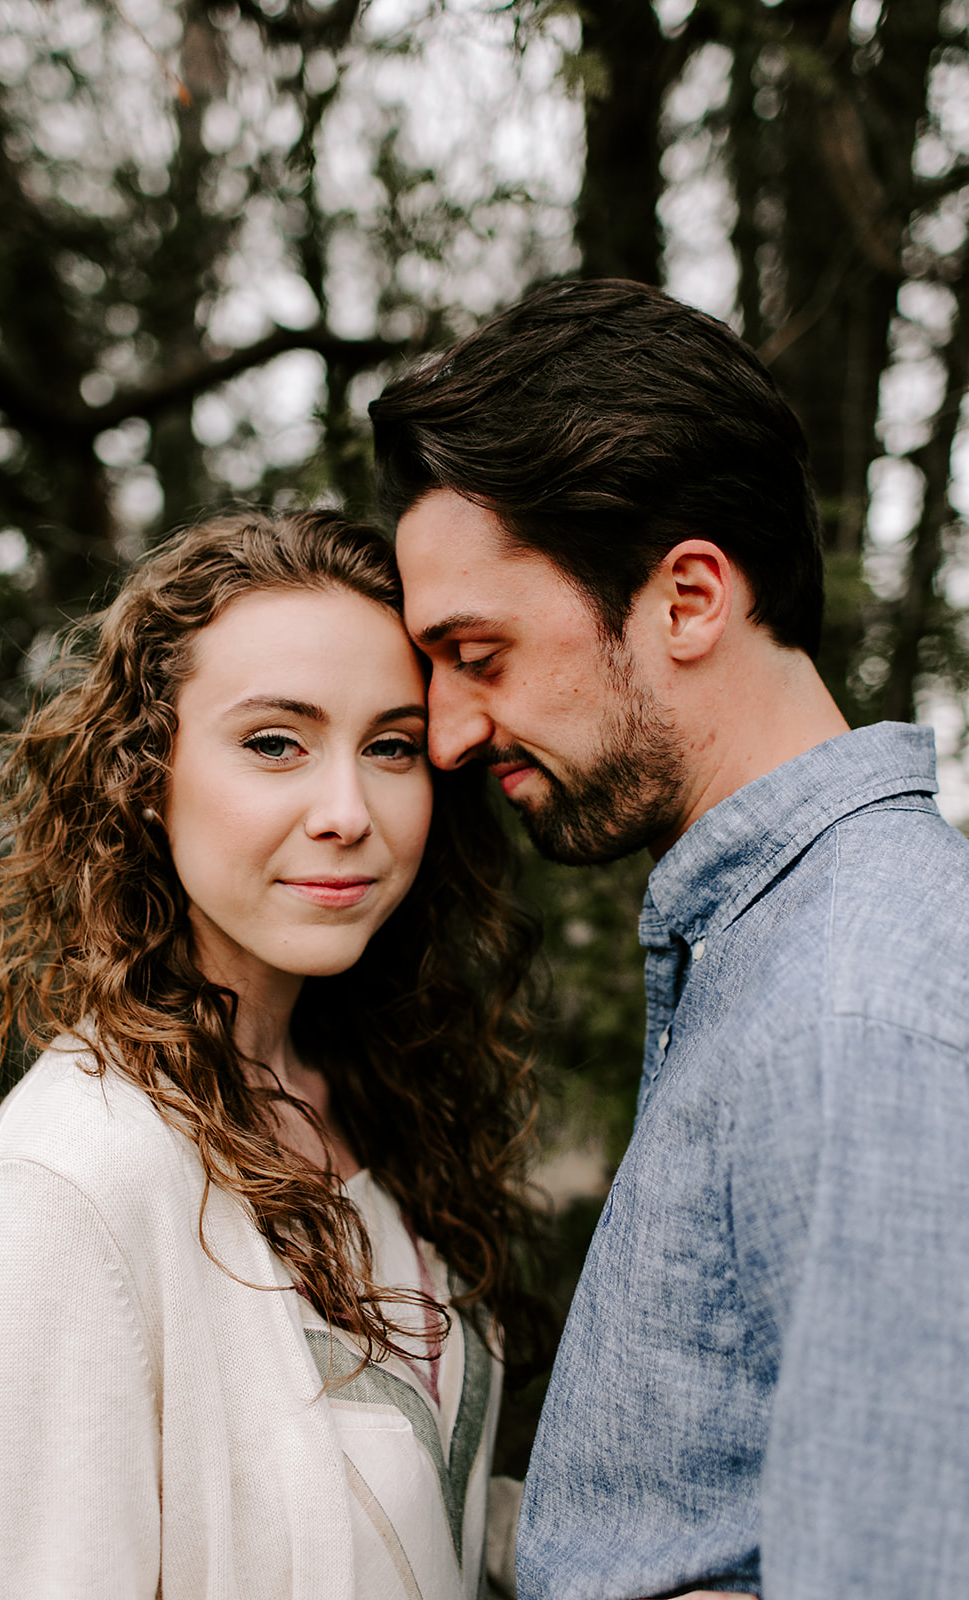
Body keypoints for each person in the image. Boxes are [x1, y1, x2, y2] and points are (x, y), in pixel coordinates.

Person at [369, 278, 969, 1600]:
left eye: (479, 652)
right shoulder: (769, 954)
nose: (453, 733)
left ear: (687, 598)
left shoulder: (852, 1009)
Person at [0, 509, 545, 1600]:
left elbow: (405, 1520)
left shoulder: (372, 1104)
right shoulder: (81, 1175)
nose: (347, 810)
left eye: (389, 745)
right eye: (273, 743)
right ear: (143, 775)